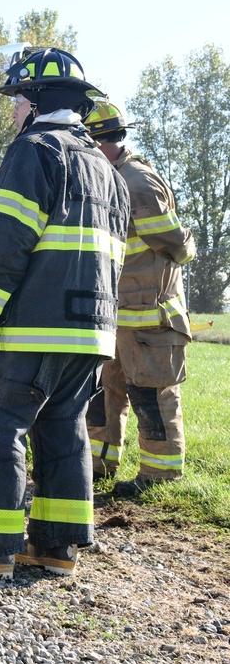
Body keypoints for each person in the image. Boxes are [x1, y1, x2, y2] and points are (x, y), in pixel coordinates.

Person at [0, 46, 129, 578]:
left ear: (36, 100)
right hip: (93, 333)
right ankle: (55, 548)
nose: (13, 110)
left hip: (33, 328)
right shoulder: (105, 167)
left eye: (17, 98)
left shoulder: (33, 150)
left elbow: (8, 240)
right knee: (64, 430)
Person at [82, 102, 196, 496]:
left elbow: (176, 245)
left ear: (100, 141)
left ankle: (158, 476)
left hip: (148, 316)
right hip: (111, 315)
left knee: (151, 395)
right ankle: (97, 465)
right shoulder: (104, 178)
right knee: (103, 395)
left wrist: (188, 249)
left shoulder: (136, 183)